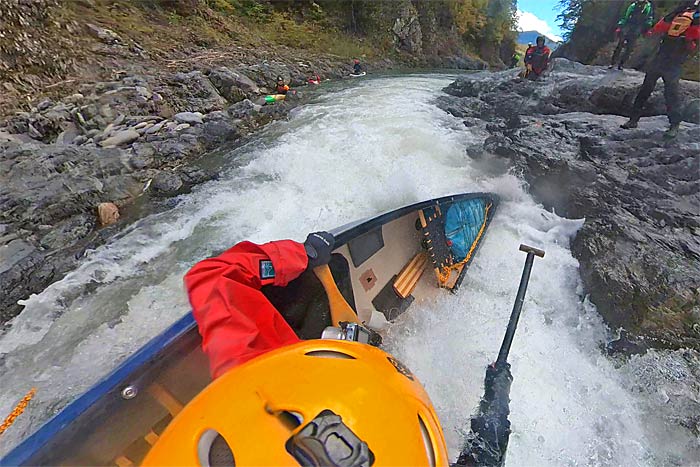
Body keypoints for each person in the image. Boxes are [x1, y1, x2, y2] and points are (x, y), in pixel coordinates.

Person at [157, 232, 514, 466]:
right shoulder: (253, 376)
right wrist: (497, 396)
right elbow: (486, 452)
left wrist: (301, 255)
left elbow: (212, 276)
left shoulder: (254, 377)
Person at [621, 1, 700, 139]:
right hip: (667, 58)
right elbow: (662, 28)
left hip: (670, 59)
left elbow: (660, 28)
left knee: (667, 93)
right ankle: (635, 120)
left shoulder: (683, 13)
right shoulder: (683, 13)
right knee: (651, 90)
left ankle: (672, 124)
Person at [610, 0, 655, 70]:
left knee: (629, 48)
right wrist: (620, 26)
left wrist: (647, 28)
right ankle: (613, 63)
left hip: (636, 29)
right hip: (628, 27)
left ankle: (621, 64)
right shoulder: (633, 6)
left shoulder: (648, 7)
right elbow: (625, 16)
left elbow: (649, 19)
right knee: (620, 45)